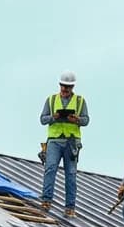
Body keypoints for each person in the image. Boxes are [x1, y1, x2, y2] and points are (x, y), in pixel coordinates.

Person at [37, 71, 89, 217]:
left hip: (71, 142)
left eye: (68, 87)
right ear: (60, 85)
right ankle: (46, 200)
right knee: (50, 168)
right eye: (63, 86)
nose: (65, 90)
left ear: (72, 87)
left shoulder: (80, 101)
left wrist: (76, 120)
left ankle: (70, 207)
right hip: (54, 140)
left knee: (71, 174)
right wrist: (54, 117)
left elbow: (86, 120)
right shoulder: (51, 100)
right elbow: (42, 119)